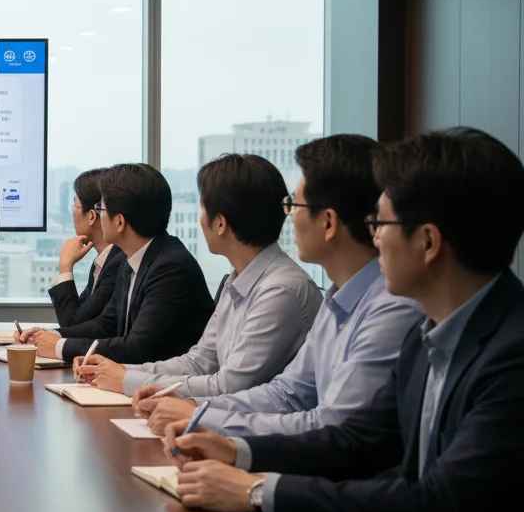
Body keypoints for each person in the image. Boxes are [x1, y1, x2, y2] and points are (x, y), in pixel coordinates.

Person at [163, 128, 524, 512]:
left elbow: (436, 503)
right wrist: (235, 451)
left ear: (429, 243)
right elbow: (358, 441)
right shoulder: (428, 335)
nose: (373, 237)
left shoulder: (511, 356)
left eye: (383, 224)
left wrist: (254, 491)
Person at [135, 135, 423, 436]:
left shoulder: (389, 308)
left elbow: (332, 427)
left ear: (328, 222)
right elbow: (288, 392)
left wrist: (200, 415)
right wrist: (196, 408)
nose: (289, 217)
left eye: (294, 204)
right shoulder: (337, 297)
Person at [77, 155, 321, 396]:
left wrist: (127, 380)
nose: (200, 219)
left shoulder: (279, 290)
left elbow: (228, 387)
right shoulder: (236, 280)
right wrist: (118, 371)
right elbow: (200, 361)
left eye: (203, 207)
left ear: (220, 224)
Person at [19, 163, 215, 365]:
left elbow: (137, 347)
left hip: (163, 387)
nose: (98, 215)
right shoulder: (130, 258)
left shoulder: (171, 266)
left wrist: (60, 347)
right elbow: (107, 324)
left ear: (119, 222)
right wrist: (49, 336)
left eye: (101, 208)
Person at [48, 168, 127, 329]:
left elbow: (72, 323)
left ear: (92, 215)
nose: (72, 214)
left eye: (75, 206)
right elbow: (79, 315)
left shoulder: (118, 263)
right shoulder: (105, 259)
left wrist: (65, 268)